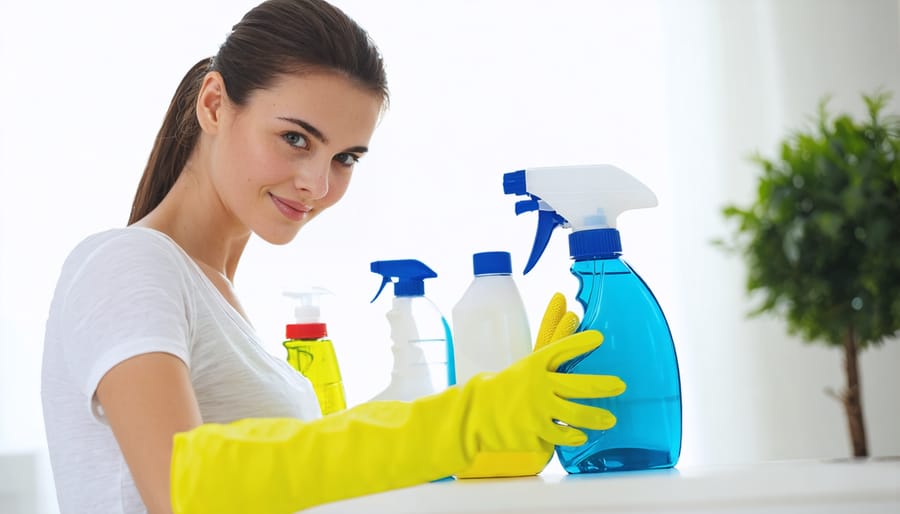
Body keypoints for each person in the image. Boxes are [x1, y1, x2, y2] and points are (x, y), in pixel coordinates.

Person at [40, 1, 626, 513]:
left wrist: (502, 423)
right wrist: (465, 420)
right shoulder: (128, 263)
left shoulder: (213, 293)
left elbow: (290, 474)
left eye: (346, 157)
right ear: (215, 105)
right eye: (296, 138)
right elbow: (180, 485)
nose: (318, 184)